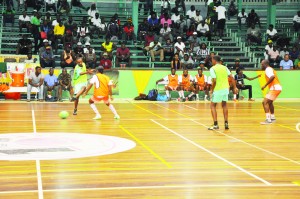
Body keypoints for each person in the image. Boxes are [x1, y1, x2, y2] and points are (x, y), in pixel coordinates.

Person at [208, 55, 237, 130]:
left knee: (213, 106)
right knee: (224, 105)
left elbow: (214, 80)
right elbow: (232, 78)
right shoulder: (224, 67)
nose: (211, 61)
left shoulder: (212, 68)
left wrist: (212, 89)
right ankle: (226, 123)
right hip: (225, 89)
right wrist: (234, 87)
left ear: (214, 60)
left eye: (212, 60)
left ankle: (215, 124)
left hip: (218, 89)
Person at [260, 59, 282, 124]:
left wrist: (265, 85)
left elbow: (272, 77)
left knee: (264, 102)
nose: (261, 65)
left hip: (275, 88)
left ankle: (268, 119)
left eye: (262, 64)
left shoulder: (268, 69)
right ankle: (272, 117)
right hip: (276, 87)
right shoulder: (270, 69)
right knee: (269, 102)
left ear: (265, 64)